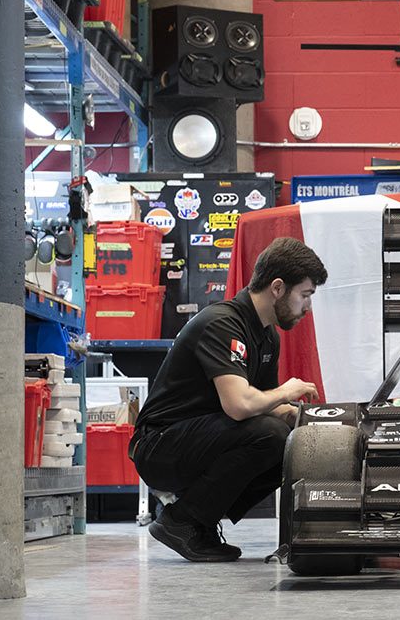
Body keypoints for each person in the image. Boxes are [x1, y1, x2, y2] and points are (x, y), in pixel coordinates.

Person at [129, 237, 326, 562]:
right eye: (304, 295)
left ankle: (200, 521)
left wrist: (297, 415)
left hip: (198, 439)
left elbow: (265, 402)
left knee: (292, 441)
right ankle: (183, 521)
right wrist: (286, 391)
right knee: (270, 435)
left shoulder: (266, 336)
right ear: (277, 288)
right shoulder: (222, 324)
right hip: (159, 448)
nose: (307, 307)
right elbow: (240, 405)